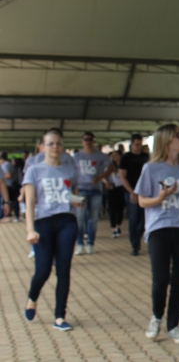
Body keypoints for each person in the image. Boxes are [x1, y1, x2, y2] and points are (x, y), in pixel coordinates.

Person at [135, 124, 179, 344]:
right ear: (167, 141)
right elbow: (141, 201)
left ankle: (173, 326)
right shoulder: (151, 168)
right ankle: (156, 316)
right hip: (159, 229)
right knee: (160, 279)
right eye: (178, 136)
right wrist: (160, 198)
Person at [22, 129, 81, 331]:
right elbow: (30, 202)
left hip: (67, 221)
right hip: (44, 223)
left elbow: (73, 194)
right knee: (43, 270)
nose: (55, 147)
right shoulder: (34, 170)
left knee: (63, 269)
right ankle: (32, 297)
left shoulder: (69, 170)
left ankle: (59, 316)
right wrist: (30, 229)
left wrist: (77, 201)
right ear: (43, 147)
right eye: (51, 143)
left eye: (58, 143)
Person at [72, 132, 114, 255]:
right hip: (81, 189)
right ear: (82, 142)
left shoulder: (100, 155)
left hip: (96, 189)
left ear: (94, 141)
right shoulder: (76, 156)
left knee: (93, 218)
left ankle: (90, 243)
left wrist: (100, 177)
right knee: (79, 218)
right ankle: (80, 244)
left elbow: (111, 167)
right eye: (86, 139)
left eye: (90, 139)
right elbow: (71, 171)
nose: (88, 142)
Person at [119, 134, 149, 255]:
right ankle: (135, 245)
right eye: (136, 144)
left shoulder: (146, 157)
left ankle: (140, 236)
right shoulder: (126, 158)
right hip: (131, 191)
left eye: (140, 144)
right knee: (134, 218)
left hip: (145, 192)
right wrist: (132, 192)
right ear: (131, 145)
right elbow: (122, 177)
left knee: (144, 219)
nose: (138, 147)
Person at [107, 151, 126, 238]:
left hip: (121, 188)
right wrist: (106, 182)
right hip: (112, 188)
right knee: (112, 209)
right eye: (113, 156)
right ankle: (113, 228)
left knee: (120, 208)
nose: (115, 157)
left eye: (116, 155)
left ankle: (118, 225)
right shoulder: (110, 166)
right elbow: (103, 175)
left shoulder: (123, 165)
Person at [0, 152, 19, 222]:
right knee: (13, 202)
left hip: (8, 186)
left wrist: (3, 177)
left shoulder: (5, 165)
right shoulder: (9, 164)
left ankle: (7, 215)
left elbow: (8, 175)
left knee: (9, 202)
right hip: (12, 185)